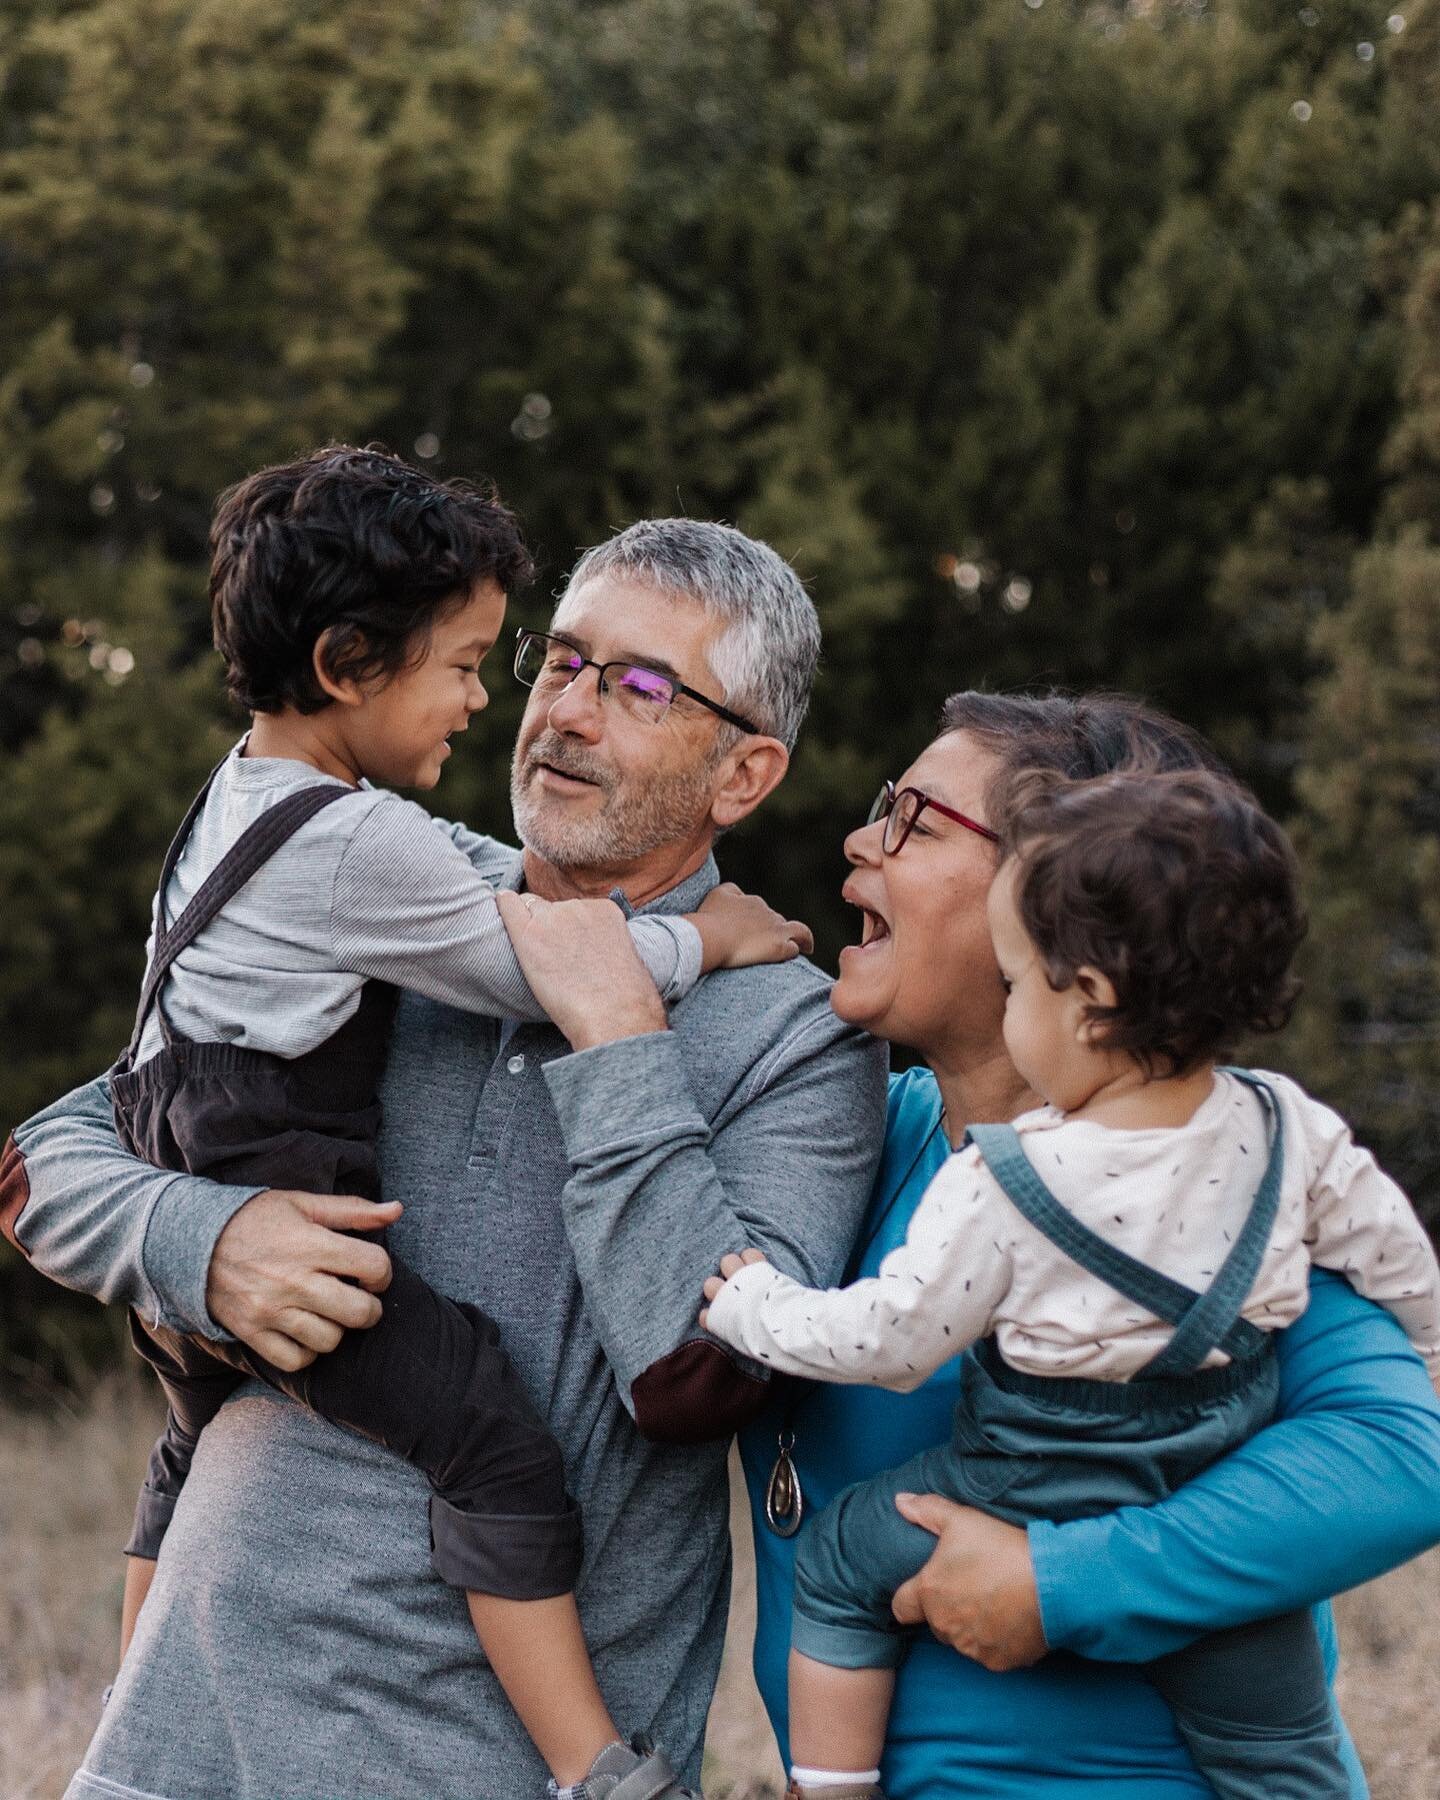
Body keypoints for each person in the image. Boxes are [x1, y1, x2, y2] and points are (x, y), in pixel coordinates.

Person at [1, 516, 890, 1800]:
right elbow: (50, 1156)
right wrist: (207, 1241)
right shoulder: (408, 902)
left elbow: (702, 1377)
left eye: (639, 687)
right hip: (181, 1738)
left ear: (744, 774)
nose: (568, 712)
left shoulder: (794, 1037)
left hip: (483, 1763)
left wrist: (618, 1036)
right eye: (563, 662)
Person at [724, 691, 1440, 1798]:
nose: (860, 839)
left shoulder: (1220, 1174)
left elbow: (1403, 1457)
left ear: (1065, 900)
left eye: (914, 818)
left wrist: (1058, 1583)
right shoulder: (849, 1138)